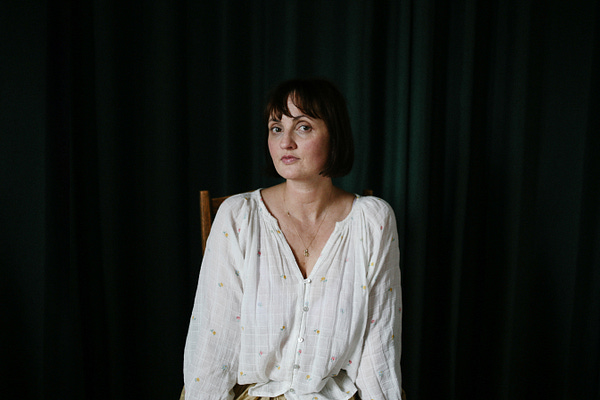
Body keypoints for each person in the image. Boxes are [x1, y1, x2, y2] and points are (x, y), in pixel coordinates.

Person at [183, 78, 402, 400]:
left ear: (335, 135)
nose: (285, 142)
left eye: (303, 127)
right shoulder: (239, 216)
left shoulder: (372, 221)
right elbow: (214, 345)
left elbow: (378, 345)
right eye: (276, 128)